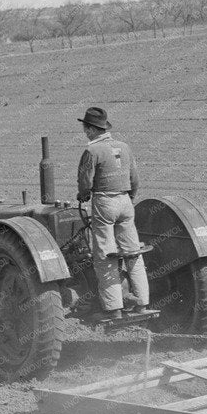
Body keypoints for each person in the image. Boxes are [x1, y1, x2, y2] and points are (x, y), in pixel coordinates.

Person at [75, 106, 148, 319]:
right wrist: (128, 199)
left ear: (90, 129)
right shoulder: (124, 147)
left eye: (85, 128)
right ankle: (143, 303)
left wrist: (83, 195)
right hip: (125, 201)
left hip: (104, 202)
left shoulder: (92, 151)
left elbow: (85, 181)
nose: (84, 132)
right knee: (133, 253)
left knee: (105, 256)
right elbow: (135, 178)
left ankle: (113, 308)